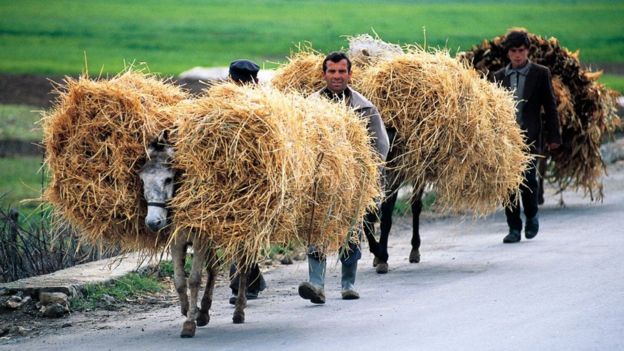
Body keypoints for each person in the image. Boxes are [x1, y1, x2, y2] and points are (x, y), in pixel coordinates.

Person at [298, 52, 389, 303]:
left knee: (350, 231)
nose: (337, 76)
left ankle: (348, 283)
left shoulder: (364, 108)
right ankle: (316, 284)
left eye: (341, 72)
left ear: (349, 74)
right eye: (332, 72)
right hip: (320, 182)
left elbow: (380, 145)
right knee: (316, 229)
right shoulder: (309, 106)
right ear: (323, 74)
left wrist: (369, 176)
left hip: (352, 182)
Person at [492, 29, 561, 244]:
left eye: (521, 51)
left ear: (527, 51)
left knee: (528, 180)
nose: (517, 55)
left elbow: (550, 107)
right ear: (508, 53)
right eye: (513, 51)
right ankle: (513, 228)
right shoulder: (498, 77)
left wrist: (554, 137)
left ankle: (532, 216)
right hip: (505, 139)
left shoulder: (540, 74)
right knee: (507, 184)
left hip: (529, 136)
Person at [227, 59, 267, 304]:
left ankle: (240, 284)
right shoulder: (219, 106)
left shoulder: (264, 109)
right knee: (237, 233)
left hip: (255, 181)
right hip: (229, 180)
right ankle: (252, 281)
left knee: (244, 233)